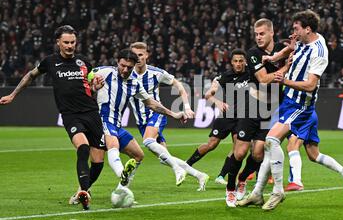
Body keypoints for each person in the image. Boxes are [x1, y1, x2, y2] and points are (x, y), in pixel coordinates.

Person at [237, 10, 343, 210]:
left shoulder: (319, 52)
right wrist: (273, 57)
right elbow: (292, 48)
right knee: (312, 153)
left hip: (301, 106)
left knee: (272, 140)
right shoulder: (305, 40)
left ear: (307, 29)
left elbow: (310, 85)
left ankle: (277, 192)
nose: (293, 32)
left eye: (296, 29)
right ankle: (257, 193)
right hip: (289, 102)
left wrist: (284, 80)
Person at [0, 25, 105, 210]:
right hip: (71, 115)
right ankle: (85, 193)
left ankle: (81, 190)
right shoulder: (50, 62)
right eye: (66, 42)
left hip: (91, 113)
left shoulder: (84, 61)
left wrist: (96, 83)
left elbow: (91, 83)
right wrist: (13, 95)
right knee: (82, 147)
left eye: (72, 42)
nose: (70, 46)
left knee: (98, 161)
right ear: (58, 42)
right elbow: (30, 76)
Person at [88, 49, 188, 192]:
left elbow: (151, 103)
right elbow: (83, 79)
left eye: (129, 67)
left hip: (117, 124)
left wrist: (173, 114)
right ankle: (121, 173)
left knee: (138, 155)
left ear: (134, 66)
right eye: (122, 65)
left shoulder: (134, 83)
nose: (125, 69)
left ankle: (120, 190)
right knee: (112, 145)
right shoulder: (103, 72)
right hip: (101, 120)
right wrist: (92, 88)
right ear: (117, 62)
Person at [129, 42, 209, 191]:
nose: (138, 58)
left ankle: (178, 170)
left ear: (147, 55)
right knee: (164, 158)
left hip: (156, 113)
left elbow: (180, 86)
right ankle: (200, 175)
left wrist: (186, 106)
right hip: (141, 121)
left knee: (147, 140)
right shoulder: (126, 74)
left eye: (141, 55)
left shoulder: (156, 73)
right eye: (134, 55)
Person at [226, 19, 288, 207]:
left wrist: (292, 48)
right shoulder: (253, 54)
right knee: (240, 152)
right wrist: (286, 67)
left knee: (259, 154)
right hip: (252, 107)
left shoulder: (282, 49)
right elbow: (263, 80)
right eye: (256, 34)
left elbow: (295, 51)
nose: (258, 37)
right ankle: (230, 190)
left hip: (272, 109)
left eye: (262, 33)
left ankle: (243, 179)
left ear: (271, 33)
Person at [185, 50, 251, 186]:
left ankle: (221, 175)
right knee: (211, 144)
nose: (238, 64)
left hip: (243, 118)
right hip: (227, 116)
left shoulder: (251, 73)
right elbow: (208, 94)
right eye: (235, 61)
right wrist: (218, 102)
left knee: (237, 147)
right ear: (231, 62)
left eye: (240, 61)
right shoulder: (226, 76)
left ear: (245, 61)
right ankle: (186, 165)